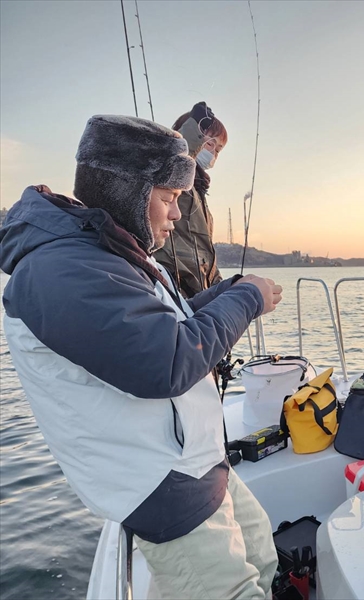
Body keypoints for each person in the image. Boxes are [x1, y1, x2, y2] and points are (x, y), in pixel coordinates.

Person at [0, 115, 280, 599]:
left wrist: (227, 292)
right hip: (161, 482)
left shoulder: (107, 253)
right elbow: (164, 361)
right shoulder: (60, 269)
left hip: (196, 458)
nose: (175, 215)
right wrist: (248, 299)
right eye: (169, 199)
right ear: (129, 190)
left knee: (262, 557)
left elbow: (165, 325)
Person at [153, 101, 227, 298]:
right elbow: (176, 157)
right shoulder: (174, 180)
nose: (213, 153)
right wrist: (194, 127)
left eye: (218, 150)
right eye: (210, 143)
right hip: (174, 289)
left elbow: (205, 256)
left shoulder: (199, 190)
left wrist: (229, 289)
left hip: (197, 295)